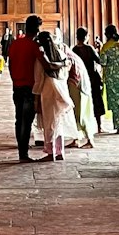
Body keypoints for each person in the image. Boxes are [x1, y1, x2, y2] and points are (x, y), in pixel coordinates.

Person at [33, 30, 78, 161]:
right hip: (61, 89)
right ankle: (59, 151)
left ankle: (50, 152)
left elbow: (39, 78)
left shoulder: (41, 58)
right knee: (58, 122)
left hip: (48, 91)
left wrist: (36, 97)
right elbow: (66, 70)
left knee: (49, 122)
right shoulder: (60, 54)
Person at [7, 14, 44, 162]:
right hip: (30, 88)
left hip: (17, 86)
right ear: (37, 29)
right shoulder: (34, 46)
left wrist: (15, 79)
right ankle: (23, 154)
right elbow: (45, 64)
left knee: (19, 119)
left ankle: (21, 149)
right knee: (27, 121)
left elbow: (9, 65)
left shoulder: (15, 44)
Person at [73, 28, 105, 131]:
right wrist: (99, 49)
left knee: (81, 103)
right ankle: (99, 126)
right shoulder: (89, 49)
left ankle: (81, 127)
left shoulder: (74, 50)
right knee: (96, 101)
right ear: (86, 37)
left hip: (79, 79)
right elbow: (100, 61)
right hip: (92, 78)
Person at [67, 48, 97, 148]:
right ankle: (76, 138)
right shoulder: (73, 56)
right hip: (81, 87)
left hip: (78, 88)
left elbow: (74, 76)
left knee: (80, 114)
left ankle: (90, 139)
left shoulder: (69, 58)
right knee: (76, 114)